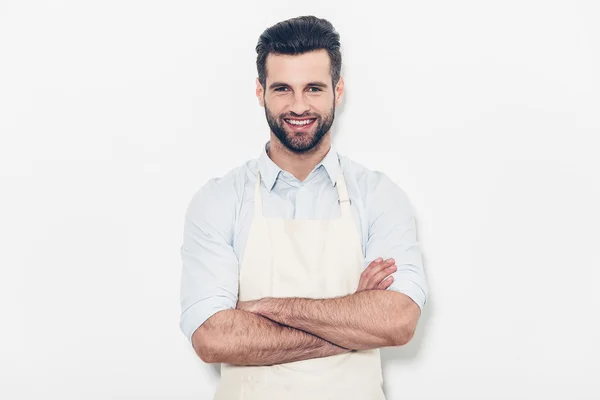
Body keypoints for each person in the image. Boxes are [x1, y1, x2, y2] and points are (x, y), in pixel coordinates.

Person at [179, 15, 428, 400]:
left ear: (338, 90)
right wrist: (353, 325)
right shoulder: (218, 200)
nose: (299, 106)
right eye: (282, 89)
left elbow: (397, 321)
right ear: (260, 91)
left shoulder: (379, 196)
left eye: (313, 88)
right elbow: (212, 338)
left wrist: (266, 308)